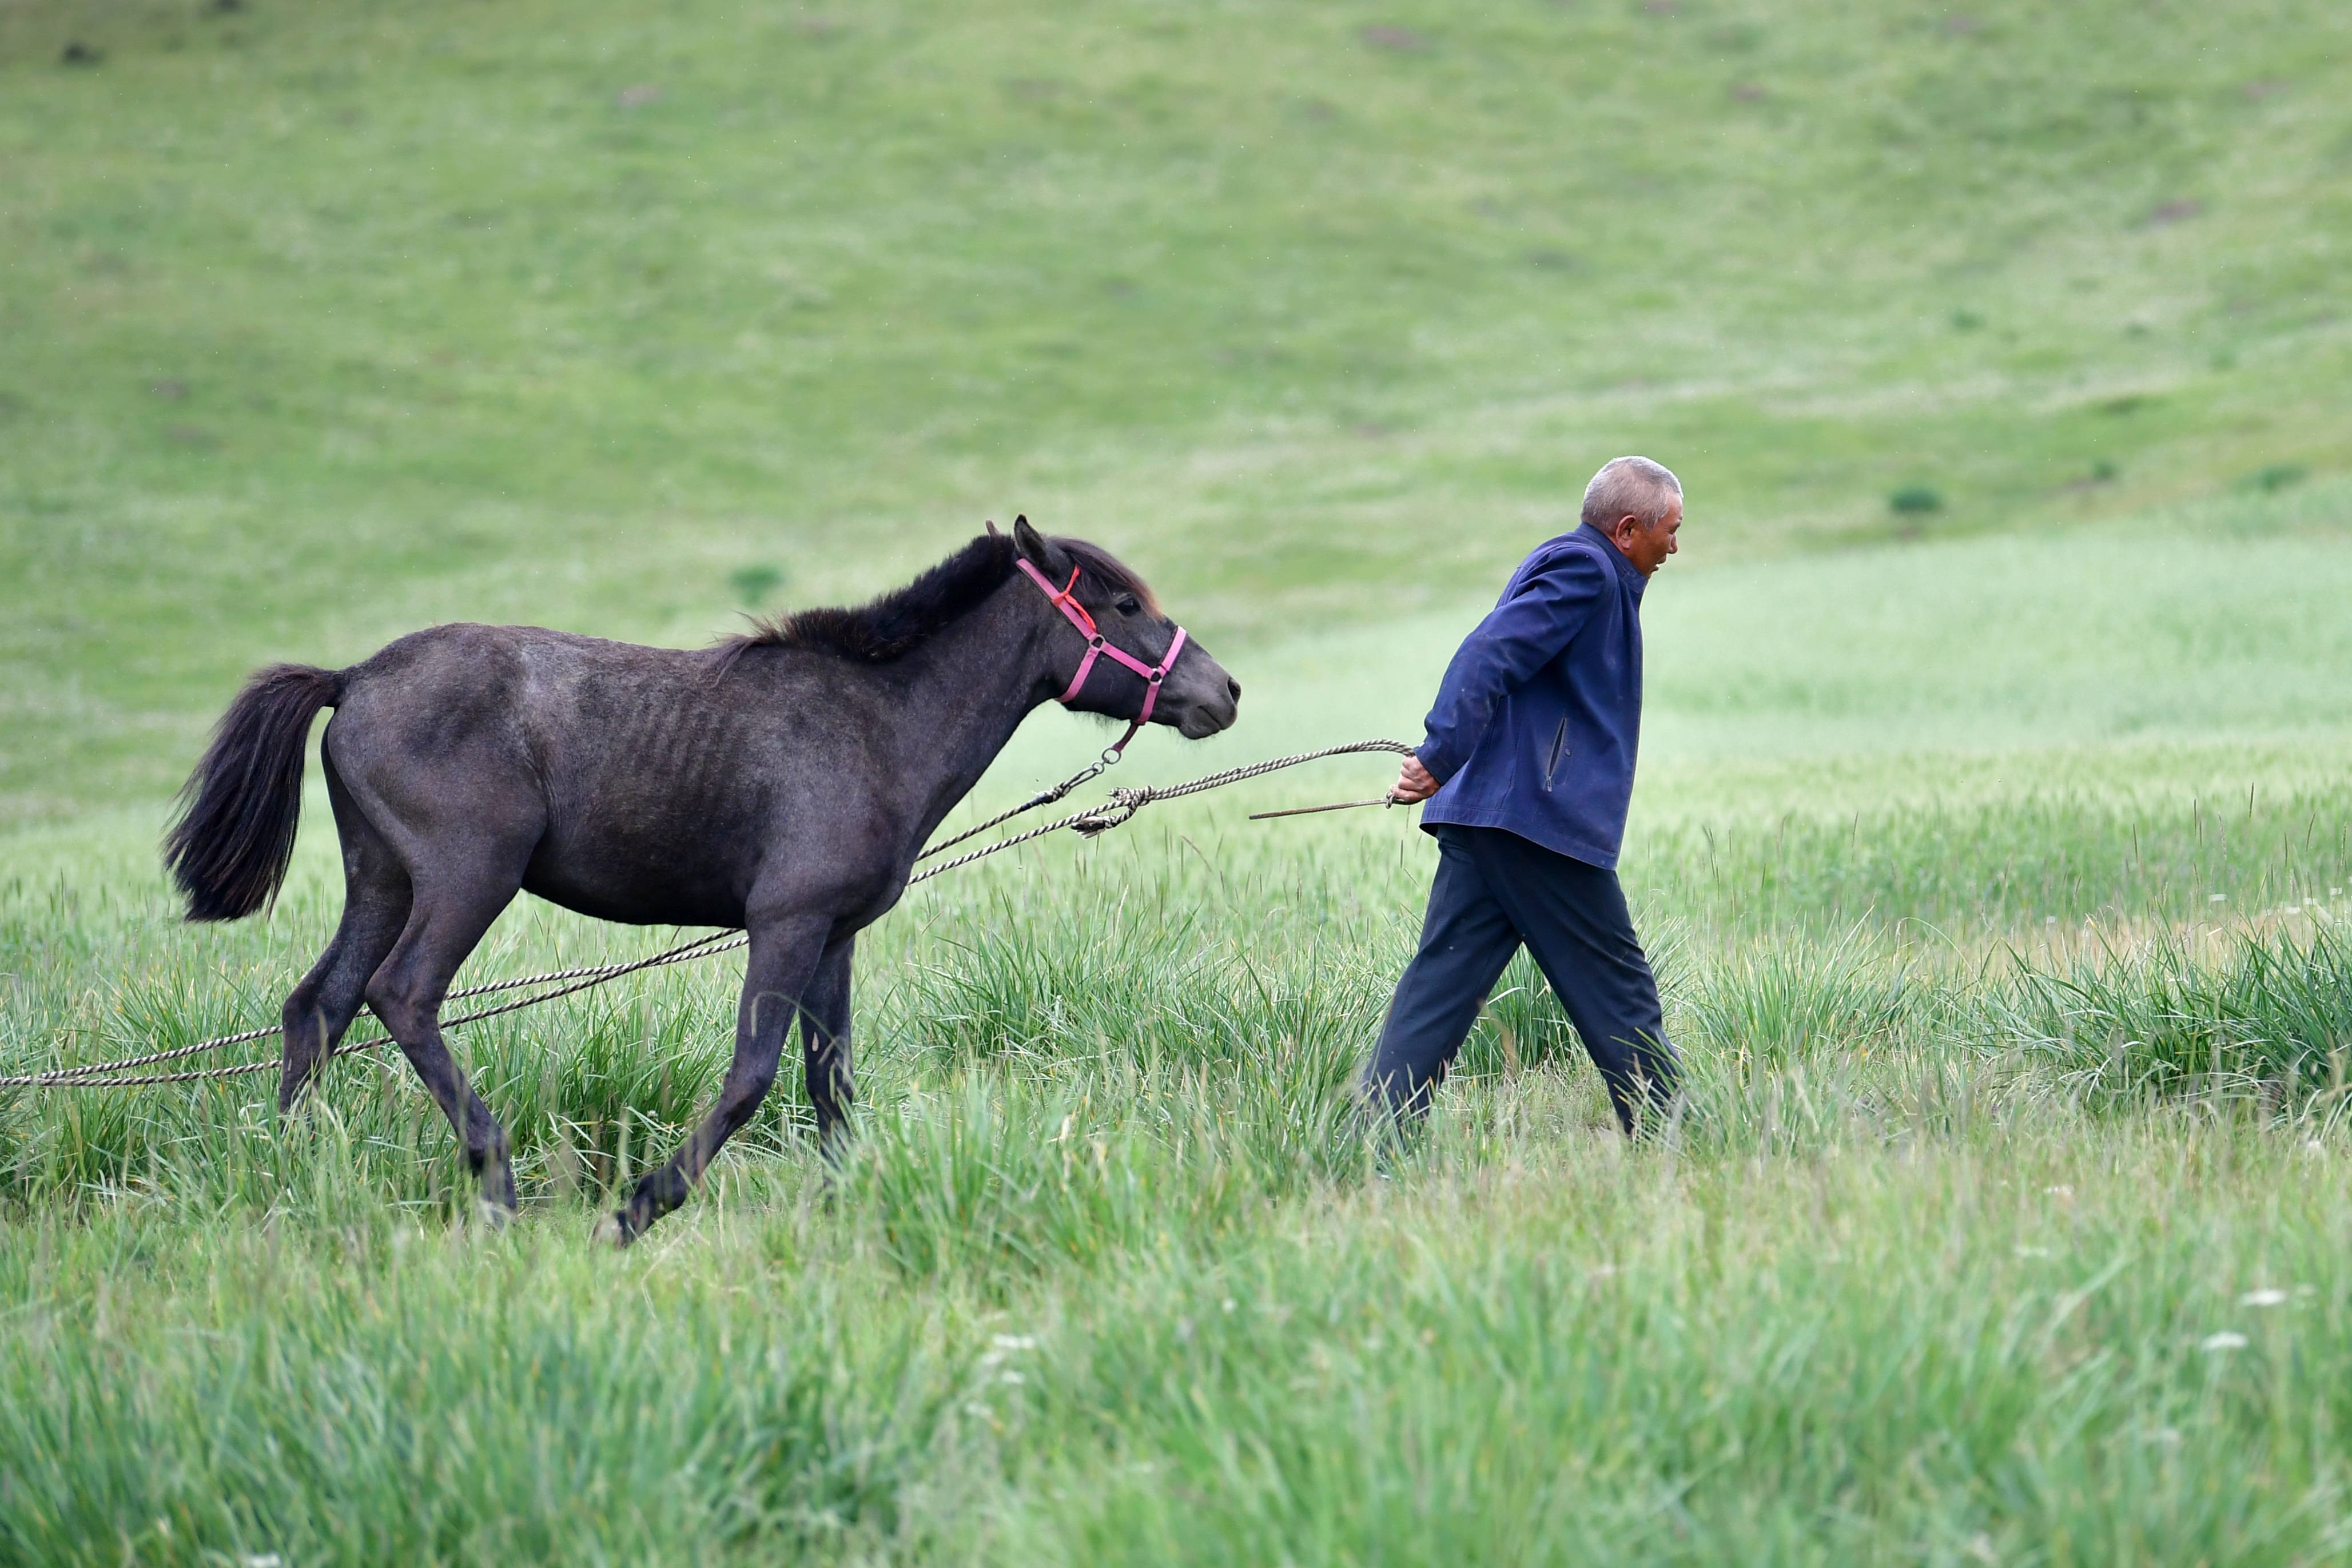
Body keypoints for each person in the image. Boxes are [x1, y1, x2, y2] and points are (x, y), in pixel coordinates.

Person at [1364, 455, 1684, 1135]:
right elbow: (1489, 653)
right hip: (1536, 818)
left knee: (1439, 990)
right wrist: (1438, 754)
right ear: (1628, 529)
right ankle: (1674, 1134)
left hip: (1497, 817)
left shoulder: (1588, 571)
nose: (1675, 547)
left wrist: (1448, 766)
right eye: (1670, 530)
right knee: (1617, 984)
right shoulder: (1587, 571)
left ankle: (1370, 1138)